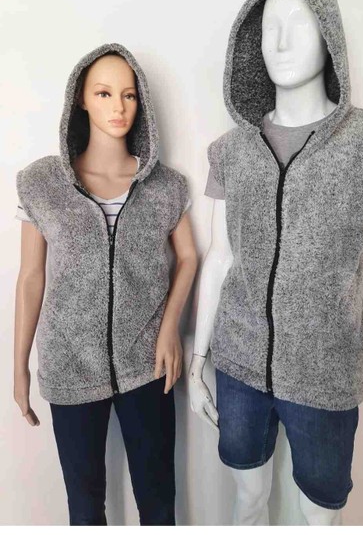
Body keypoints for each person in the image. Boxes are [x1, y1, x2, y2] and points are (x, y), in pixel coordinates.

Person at [189, 0, 363, 525]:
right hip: (238, 364)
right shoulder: (229, 152)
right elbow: (220, 257)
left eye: (300, 24)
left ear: (329, 35)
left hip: (328, 372)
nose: (282, 42)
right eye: (269, 27)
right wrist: (198, 359)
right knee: (247, 499)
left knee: (320, 515)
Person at [14, 42, 198, 525]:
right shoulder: (42, 184)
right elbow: (31, 276)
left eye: (129, 95)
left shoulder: (165, 186)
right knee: (84, 506)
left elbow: (189, 257)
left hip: (148, 364)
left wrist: (168, 329)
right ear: (81, 99)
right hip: (69, 363)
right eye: (103, 93)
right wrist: (18, 366)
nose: (118, 107)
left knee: (158, 502)